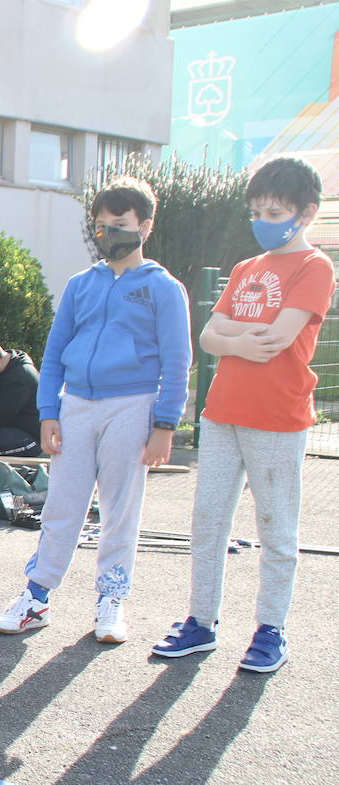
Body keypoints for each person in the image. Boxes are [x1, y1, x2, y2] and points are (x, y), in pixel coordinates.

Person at [152, 156, 335, 673]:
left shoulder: (314, 266)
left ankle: (270, 629)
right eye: (256, 209)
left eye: (274, 210)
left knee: (277, 527)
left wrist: (233, 338)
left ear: (306, 212)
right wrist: (237, 341)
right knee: (208, 520)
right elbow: (208, 336)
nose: (262, 219)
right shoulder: (245, 269)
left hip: (278, 418)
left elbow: (278, 339)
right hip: (222, 413)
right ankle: (201, 623)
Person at [0, 177, 191, 644]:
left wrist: (164, 424)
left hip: (133, 406)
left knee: (121, 508)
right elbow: (56, 350)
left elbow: (177, 361)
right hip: (75, 405)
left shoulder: (164, 288)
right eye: (100, 226)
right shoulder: (81, 285)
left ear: (144, 225)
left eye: (119, 224)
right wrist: (48, 411)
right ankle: (36, 598)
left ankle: (111, 602)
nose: (108, 234)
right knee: (62, 504)